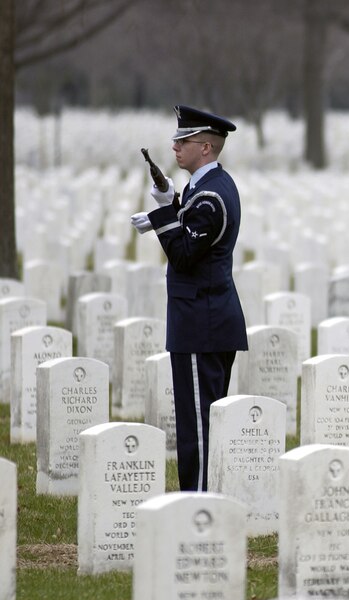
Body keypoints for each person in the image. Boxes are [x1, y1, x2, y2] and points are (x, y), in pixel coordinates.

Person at [130, 105, 247, 492]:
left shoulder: (211, 196)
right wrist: (171, 201)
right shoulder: (207, 188)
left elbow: (183, 254)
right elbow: (190, 221)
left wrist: (164, 212)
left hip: (202, 323)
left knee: (197, 427)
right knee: (200, 422)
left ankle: (197, 508)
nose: (175, 146)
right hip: (204, 319)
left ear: (207, 148)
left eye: (185, 141)